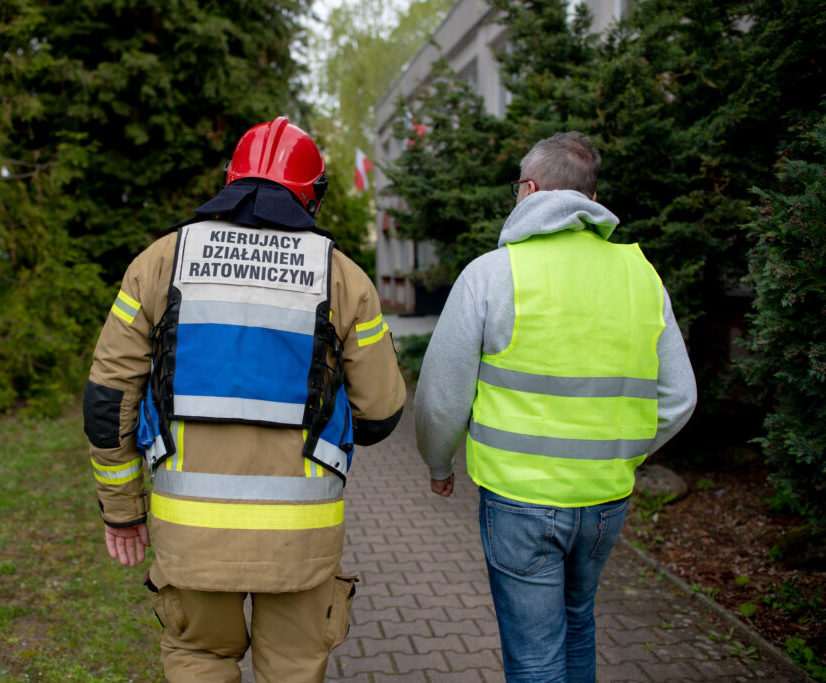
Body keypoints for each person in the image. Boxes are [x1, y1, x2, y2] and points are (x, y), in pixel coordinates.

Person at [83, 117, 406, 682]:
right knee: (292, 670)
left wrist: (122, 512)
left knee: (199, 659)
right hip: (301, 537)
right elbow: (380, 413)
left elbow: (109, 399)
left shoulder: (158, 263)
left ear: (230, 180)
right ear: (312, 194)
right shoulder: (344, 277)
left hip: (190, 533)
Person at [414, 131, 697, 682]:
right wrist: (619, 450)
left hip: (519, 500)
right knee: (578, 624)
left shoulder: (493, 274)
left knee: (536, 655)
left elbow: (442, 393)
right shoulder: (642, 276)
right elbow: (679, 397)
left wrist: (438, 464)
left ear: (528, 189)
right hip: (604, 500)